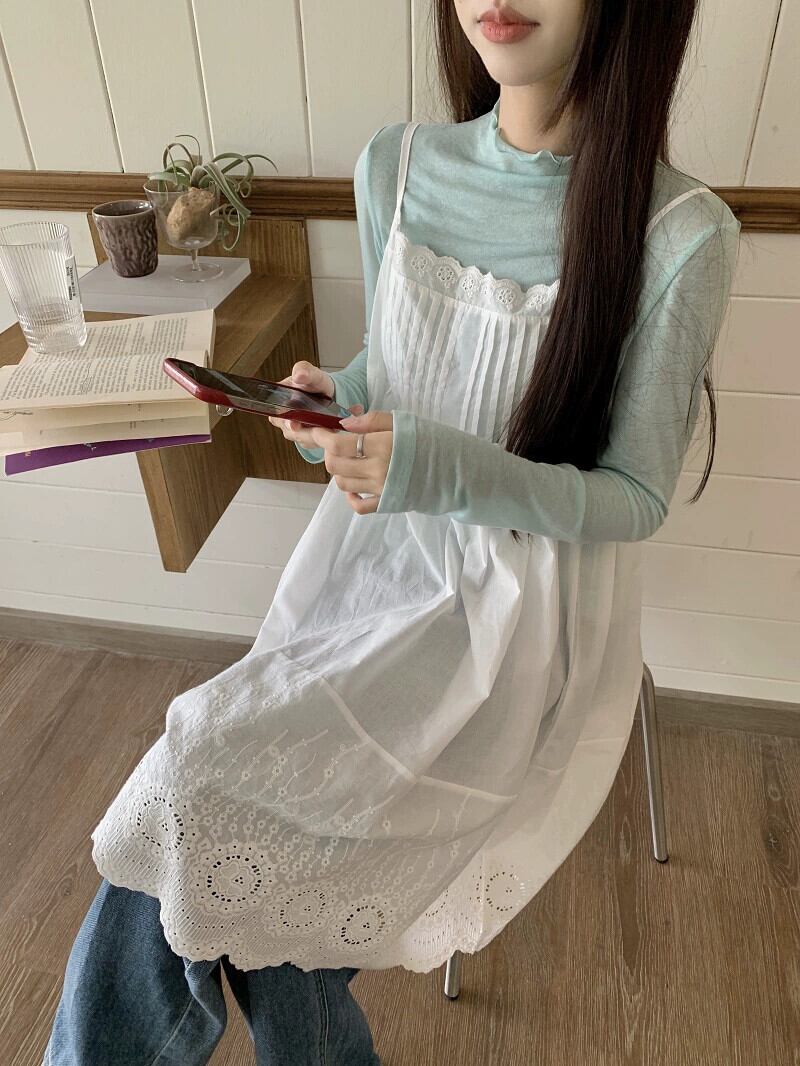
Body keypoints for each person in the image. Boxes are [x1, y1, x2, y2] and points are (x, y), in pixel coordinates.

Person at [43, 0, 740, 1062]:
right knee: (244, 865)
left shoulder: (681, 233)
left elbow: (632, 497)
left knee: (193, 789)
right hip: (361, 579)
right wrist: (334, 407)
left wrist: (439, 470)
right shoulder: (399, 165)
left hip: (512, 634)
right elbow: (396, 369)